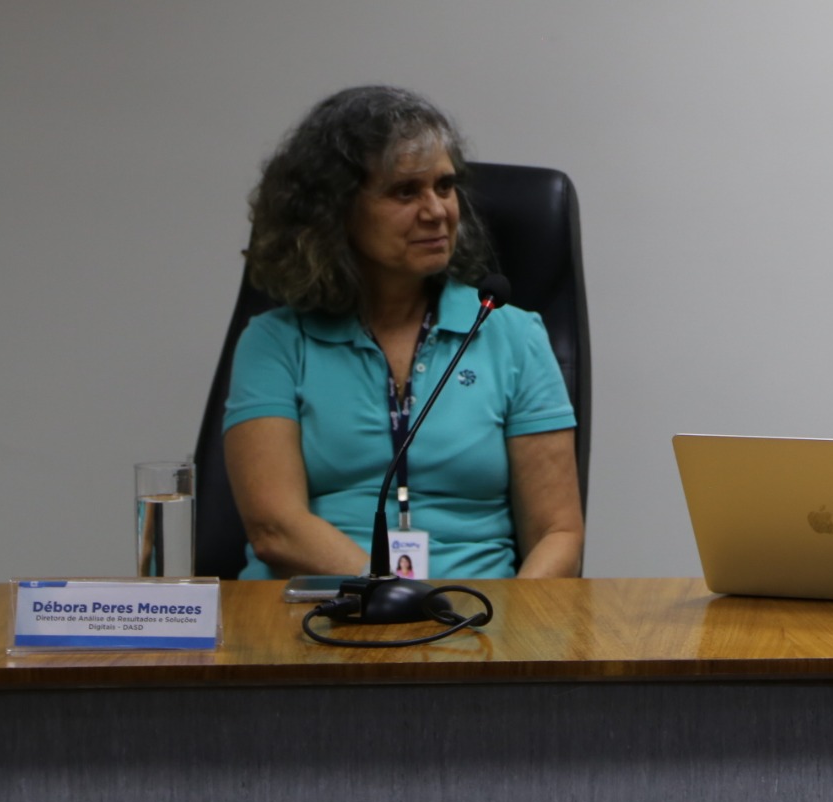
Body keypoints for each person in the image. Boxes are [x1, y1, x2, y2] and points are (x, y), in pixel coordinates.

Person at [223, 85, 584, 580]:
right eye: (405, 192)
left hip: (479, 614)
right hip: (316, 611)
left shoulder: (513, 336)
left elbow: (557, 535)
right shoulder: (276, 342)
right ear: (335, 210)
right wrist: (399, 597)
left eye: (445, 186)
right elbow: (276, 528)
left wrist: (504, 622)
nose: (437, 211)